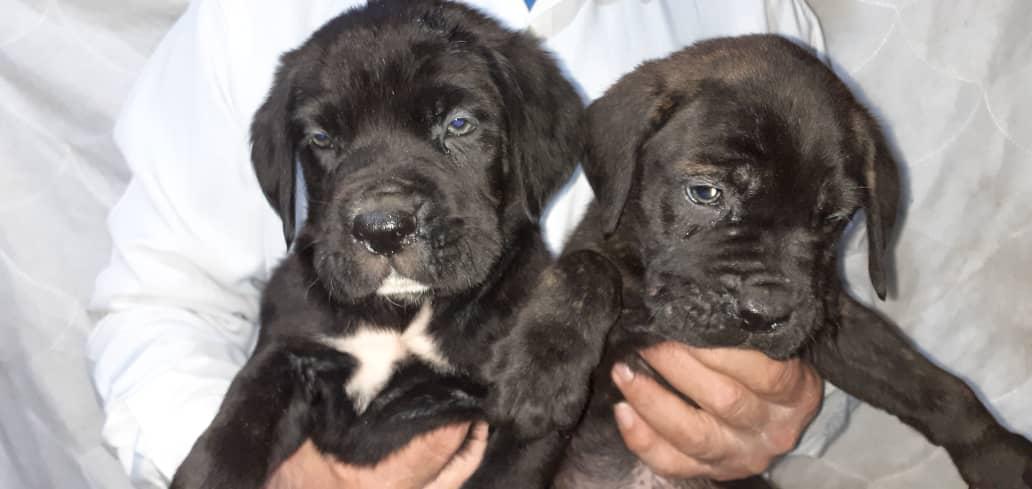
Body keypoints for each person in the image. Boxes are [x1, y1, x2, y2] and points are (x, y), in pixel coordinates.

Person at [87, 1, 846, 487]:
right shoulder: (252, 21)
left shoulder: (753, 17)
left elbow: (820, 299)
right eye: (327, 139)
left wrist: (783, 402)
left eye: (457, 126)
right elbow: (159, 304)